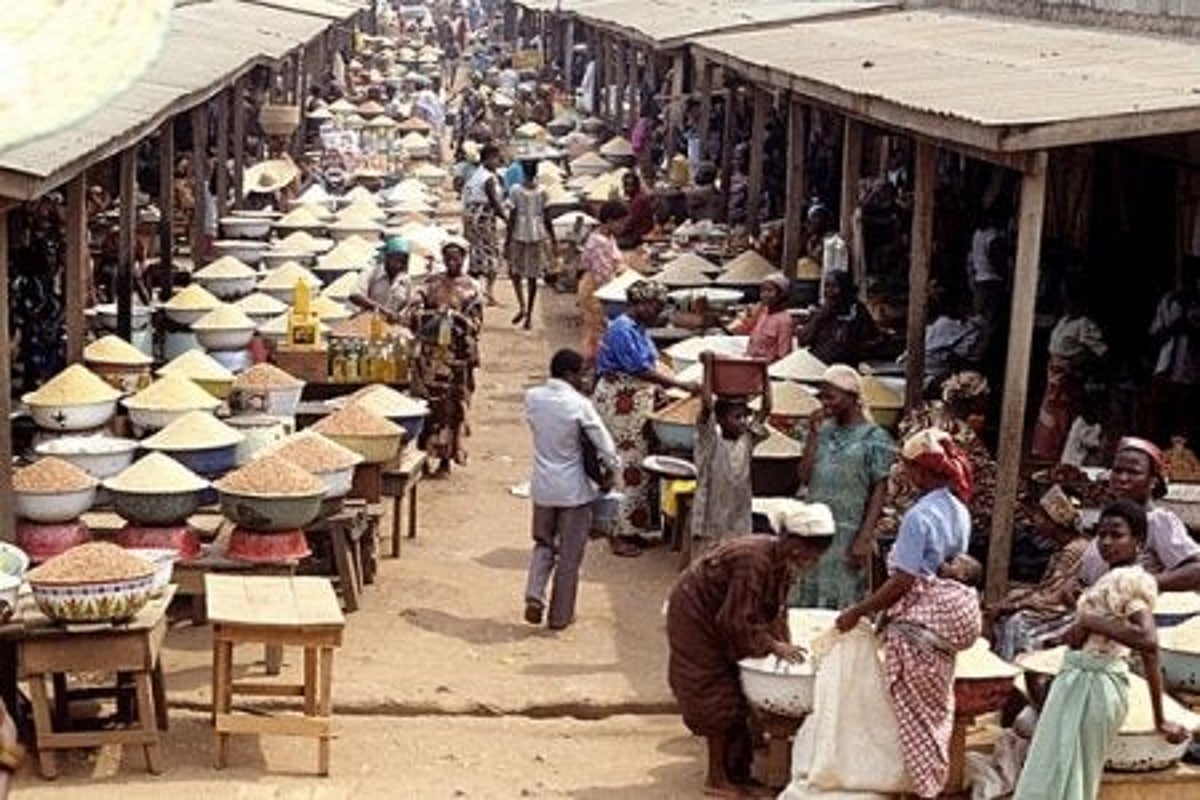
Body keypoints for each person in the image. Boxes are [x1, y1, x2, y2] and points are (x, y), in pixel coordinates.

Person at [835, 428, 983, 799]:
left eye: (907, 467)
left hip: (921, 625)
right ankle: (926, 785)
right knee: (934, 714)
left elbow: (903, 581)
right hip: (947, 622)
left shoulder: (918, 517)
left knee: (914, 720)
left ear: (921, 471)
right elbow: (956, 566)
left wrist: (859, 611)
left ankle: (922, 790)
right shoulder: (960, 510)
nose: (903, 474)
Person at [1013, 500, 1188, 800]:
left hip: (1093, 686)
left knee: (1065, 775)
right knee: (1066, 774)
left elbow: (1147, 640)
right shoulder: (1110, 580)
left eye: (1117, 535)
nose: (1107, 542)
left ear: (1139, 542)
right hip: (1085, 680)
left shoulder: (1130, 581)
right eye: (1102, 535)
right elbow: (1138, 648)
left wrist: (1090, 619)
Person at [667, 507, 835, 798]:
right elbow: (734, 620)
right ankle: (716, 778)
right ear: (794, 544)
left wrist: (785, 644)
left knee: (735, 688)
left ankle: (737, 772)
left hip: (718, 614)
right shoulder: (753, 560)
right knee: (717, 695)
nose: (810, 564)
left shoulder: (780, 560)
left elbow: (775, 611)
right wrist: (772, 646)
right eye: (809, 556)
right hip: (695, 618)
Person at [593, 280, 699, 557]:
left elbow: (651, 362)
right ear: (641, 304)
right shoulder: (623, 329)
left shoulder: (637, 328)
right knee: (625, 466)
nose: (659, 313)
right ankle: (618, 533)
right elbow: (640, 368)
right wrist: (680, 385)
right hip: (621, 400)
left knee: (638, 465)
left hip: (634, 400)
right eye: (656, 307)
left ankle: (634, 529)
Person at [523, 349, 617, 631]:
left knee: (543, 543)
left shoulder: (533, 398)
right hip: (574, 491)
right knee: (569, 555)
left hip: (542, 486)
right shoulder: (579, 405)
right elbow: (606, 446)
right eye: (581, 373)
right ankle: (560, 615)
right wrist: (611, 470)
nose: (584, 379)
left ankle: (534, 593)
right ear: (569, 374)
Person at [793, 365, 895, 608]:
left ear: (852, 397)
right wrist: (813, 436)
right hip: (815, 530)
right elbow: (805, 477)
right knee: (809, 593)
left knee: (842, 597)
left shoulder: (875, 438)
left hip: (848, 531)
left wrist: (864, 536)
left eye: (831, 397)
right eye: (822, 397)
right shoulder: (823, 431)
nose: (824, 403)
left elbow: (879, 491)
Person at [1079, 436, 1200, 591]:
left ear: (1153, 481)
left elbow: (1196, 570)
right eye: (1117, 471)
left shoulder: (1157, 521)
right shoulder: (1111, 520)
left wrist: (1138, 583)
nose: (1122, 478)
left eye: (1133, 472)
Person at [886, 371, 997, 540]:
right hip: (922, 500)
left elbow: (901, 437)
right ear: (976, 403)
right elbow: (982, 474)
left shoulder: (924, 411)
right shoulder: (963, 435)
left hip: (896, 491)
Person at [990, 484, 1089, 659]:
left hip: (1063, 610)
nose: (1035, 520)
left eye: (1041, 516)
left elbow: (1054, 594)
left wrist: (1018, 604)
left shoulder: (1073, 550)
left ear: (1054, 521)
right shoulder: (1066, 547)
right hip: (1055, 601)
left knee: (1016, 622)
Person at [410, 239, 483, 476]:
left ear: (464, 258)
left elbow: (476, 324)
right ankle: (426, 457)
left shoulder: (472, 287)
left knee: (452, 409)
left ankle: (446, 460)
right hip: (431, 357)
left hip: (457, 358)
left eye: (457, 257)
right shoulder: (432, 283)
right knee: (428, 405)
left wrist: (457, 319)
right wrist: (423, 309)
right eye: (449, 257)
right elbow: (415, 309)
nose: (453, 262)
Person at [690, 353, 770, 554]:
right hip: (710, 519)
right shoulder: (709, 441)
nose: (743, 421)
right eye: (737, 417)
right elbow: (707, 405)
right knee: (706, 565)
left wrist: (764, 371)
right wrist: (708, 366)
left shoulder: (747, 440)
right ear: (721, 420)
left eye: (744, 416)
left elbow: (766, 408)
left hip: (738, 518)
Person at [1030, 282, 1107, 461]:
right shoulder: (1063, 320)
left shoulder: (1084, 324)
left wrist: (1075, 364)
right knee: (1050, 411)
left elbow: (1098, 351)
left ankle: (1063, 450)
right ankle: (1046, 449)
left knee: (1064, 412)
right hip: (1054, 371)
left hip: (1068, 374)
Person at [1148, 257, 1200, 448]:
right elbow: (1154, 334)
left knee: (1185, 423)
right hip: (1165, 368)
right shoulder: (1168, 301)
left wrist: (1190, 328)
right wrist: (1174, 328)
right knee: (1159, 420)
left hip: (1190, 371)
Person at [505, 159, 555, 329]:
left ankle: (522, 306)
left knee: (515, 272)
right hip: (537, 234)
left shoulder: (515, 190)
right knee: (532, 276)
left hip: (519, 233)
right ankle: (529, 315)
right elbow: (548, 218)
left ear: (523, 173)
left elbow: (512, 216)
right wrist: (552, 238)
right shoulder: (543, 191)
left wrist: (507, 239)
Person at [795, 270, 881, 366]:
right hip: (817, 364)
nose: (829, 291)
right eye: (826, 286)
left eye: (834, 286)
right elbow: (803, 340)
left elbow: (873, 340)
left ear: (845, 288)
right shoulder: (822, 312)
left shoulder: (857, 311)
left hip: (846, 367)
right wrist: (820, 317)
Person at [576, 200, 627, 361]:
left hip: (599, 288)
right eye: (621, 222)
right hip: (596, 292)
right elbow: (604, 277)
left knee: (598, 334)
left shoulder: (608, 238)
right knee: (597, 334)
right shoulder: (599, 243)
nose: (623, 226)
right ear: (610, 221)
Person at [461, 142, 507, 305]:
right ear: (488, 159)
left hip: (472, 217)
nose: (498, 161)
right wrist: (508, 220)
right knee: (492, 254)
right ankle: (489, 292)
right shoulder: (487, 178)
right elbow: (495, 203)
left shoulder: (477, 174)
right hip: (483, 220)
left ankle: (475, 292)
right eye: (496, 158)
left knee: (476, 255)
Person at [728, 273, 794, 362]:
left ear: (781, 295)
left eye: (770, 291)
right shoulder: (761, 311)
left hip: (767, 367)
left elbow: (784, 354)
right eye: (762, 291)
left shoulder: (784, 321)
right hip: (750, 361)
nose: (764, 295)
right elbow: (744, 329)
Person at [349, 235, 411, 322]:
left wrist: (401, 315)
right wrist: (382, 310)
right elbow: (354, 295)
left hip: (392, 327)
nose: (398, 265)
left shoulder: (405, 279)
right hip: (369, 323)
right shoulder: (371, 272)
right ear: (386, 258)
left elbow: (407, 303)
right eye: (395, 260)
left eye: (402, 262)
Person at [615, 170, 655, 249]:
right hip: (637, 234)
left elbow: (630, 222)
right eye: (626, 185)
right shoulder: (635, 199)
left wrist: (618, 231)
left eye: (631, 185)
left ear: (636, 186)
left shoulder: (638, 200)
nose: (628, 188)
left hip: (636, 237)